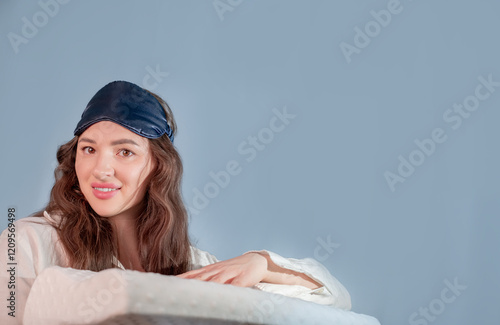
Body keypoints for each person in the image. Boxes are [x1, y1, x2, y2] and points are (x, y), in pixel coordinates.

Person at [0, 81, 351, 324]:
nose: (100, 169)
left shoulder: (193, 264)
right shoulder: (26, 244)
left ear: (158, 166)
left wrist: (261, 263)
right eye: (88, 149)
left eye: (125, 151)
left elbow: (334, 301)